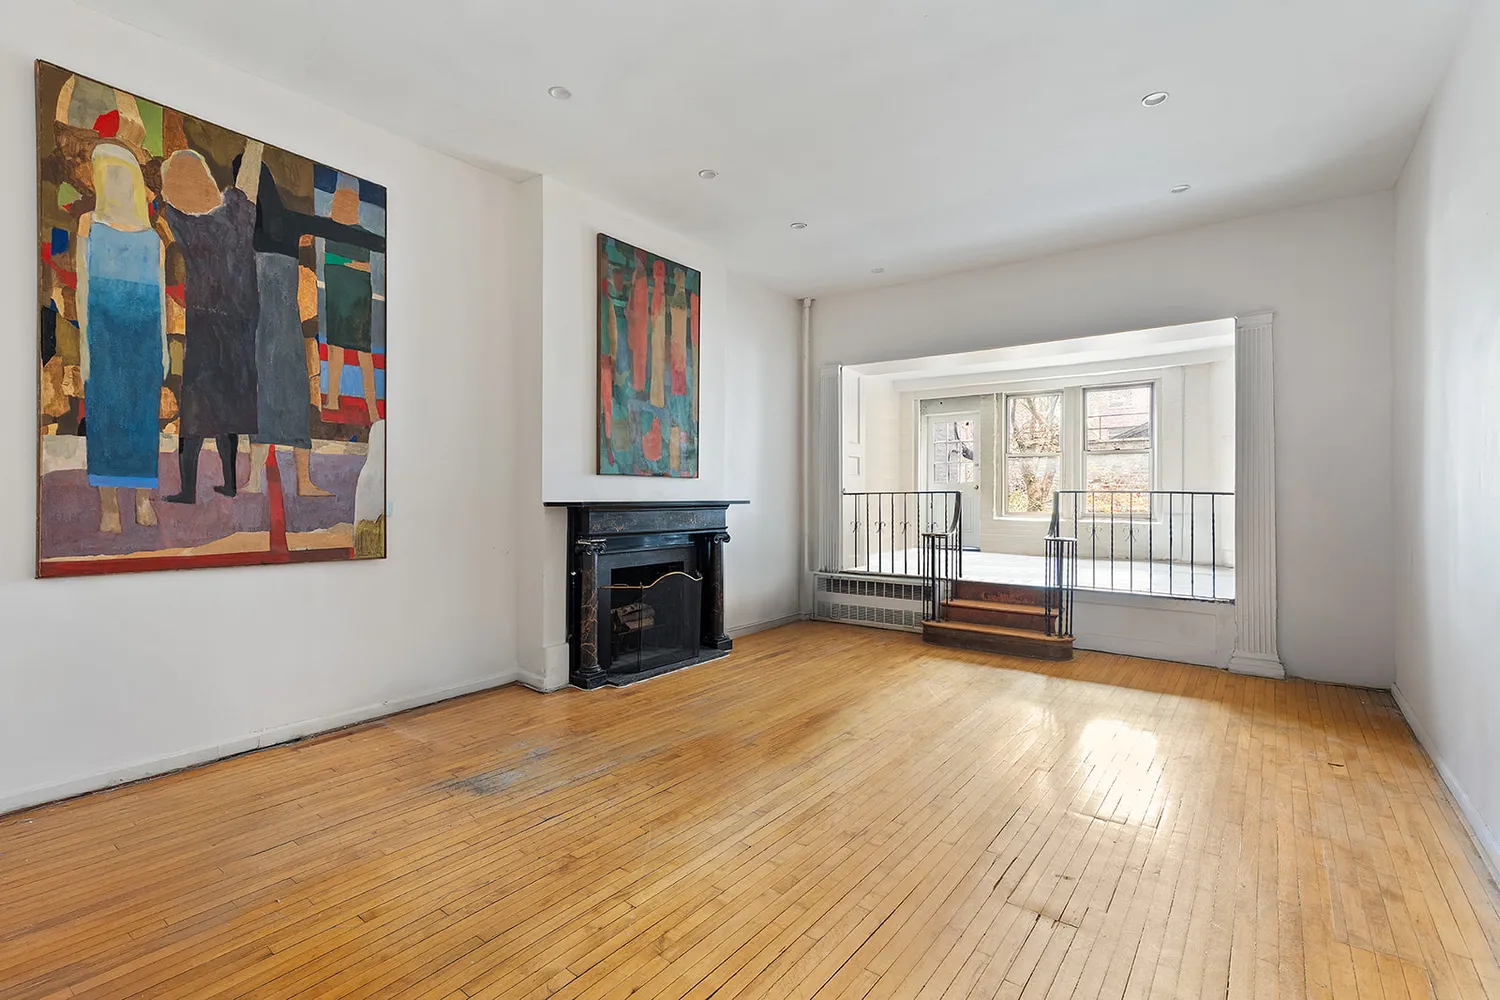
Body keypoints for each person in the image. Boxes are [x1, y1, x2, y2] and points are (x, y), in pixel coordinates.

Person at [158, 140, 263, 503]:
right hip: (240, 328)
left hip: (204, 325)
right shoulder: (237, 213)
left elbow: (168, 206)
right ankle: (230, 483)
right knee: (229, 407)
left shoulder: (183, 223)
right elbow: (245, 189)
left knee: (196, 410)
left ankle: (188, 490)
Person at [75, 143, 167, 533]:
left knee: (143, 419)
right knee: (106, 418)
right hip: (104, 336)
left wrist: (163, 350)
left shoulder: (154, 239)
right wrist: (86, 347)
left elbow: (159, 298)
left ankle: (142, 500)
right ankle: (110, 506)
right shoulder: (88, 225)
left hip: (144, 339)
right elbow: (82, 289)